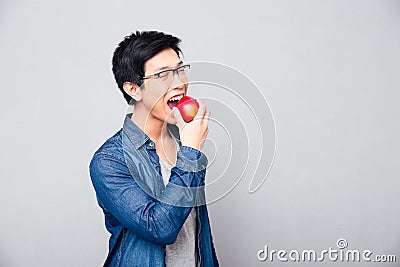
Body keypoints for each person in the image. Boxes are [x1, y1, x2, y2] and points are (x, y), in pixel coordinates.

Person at [89, 30, 219, 266]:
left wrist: (190, 148)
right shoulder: (109, 161)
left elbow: (198, 236)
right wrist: (191, 152)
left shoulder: (184, 142)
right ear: (133, 89)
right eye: (163, 75)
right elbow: (160, 228)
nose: (179, 83)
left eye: (180, 70)